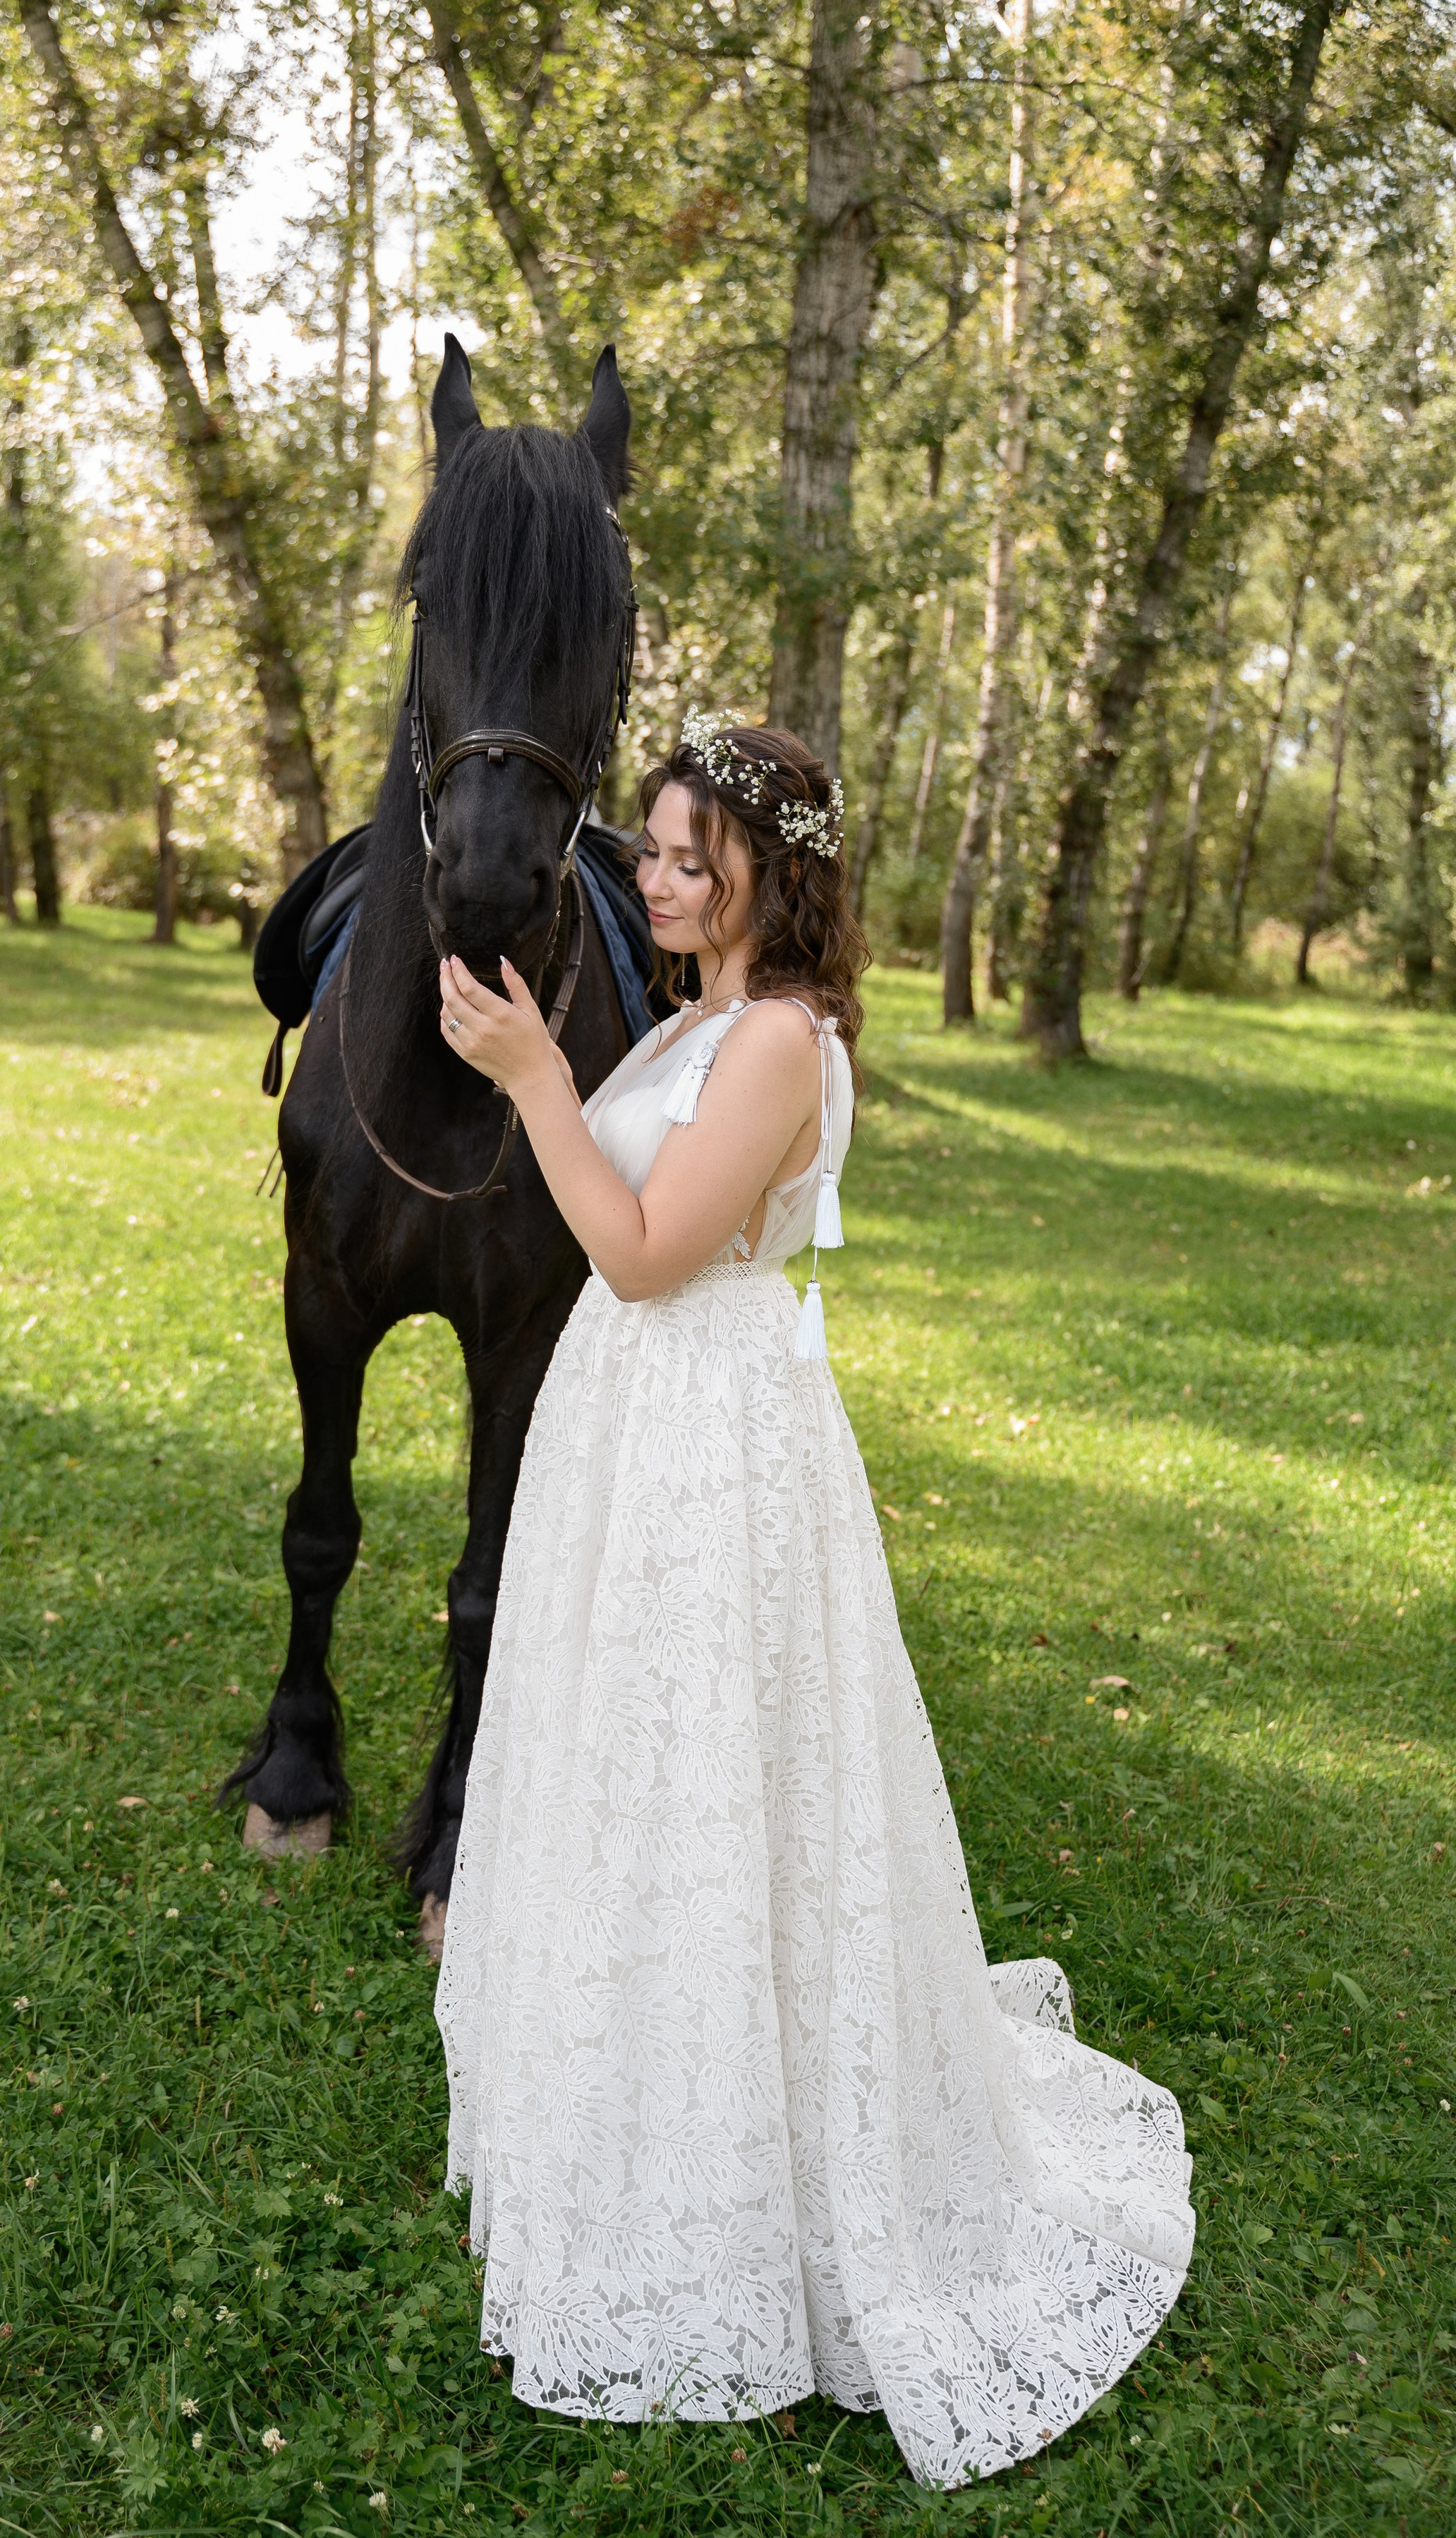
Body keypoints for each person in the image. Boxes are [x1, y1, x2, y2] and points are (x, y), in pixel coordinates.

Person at [430, 717, 1193, 2490]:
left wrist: (542, 1080)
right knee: (634, 1779)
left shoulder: (772, 1037)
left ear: (777, 871)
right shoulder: (705, 1013)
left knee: (711, 1781)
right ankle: (620, 2105)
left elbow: (637, 1252)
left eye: (696, 857)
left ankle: (742, 2190)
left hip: (705, 1438)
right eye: (655, 850)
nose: (657, 876)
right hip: (644, 1423)